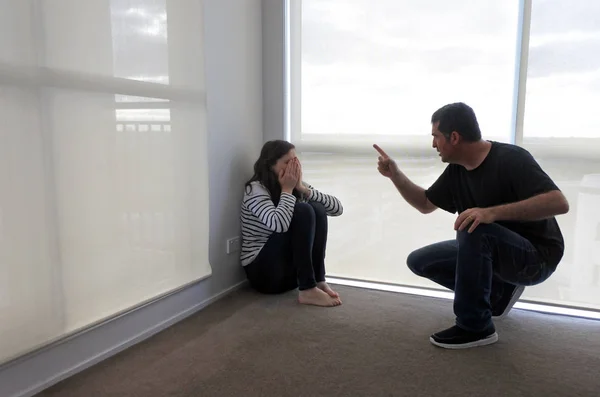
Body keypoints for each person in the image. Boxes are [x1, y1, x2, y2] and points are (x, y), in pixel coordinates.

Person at [374, 102, 569, 349]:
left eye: (436, 136)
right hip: (499, 251)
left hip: (537, 257)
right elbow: (425, 203)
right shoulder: (457, 170)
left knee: (473, 226)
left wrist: (491, 213)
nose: (433, 144)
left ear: (454, 137)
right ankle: (498, 294)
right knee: (420, 261)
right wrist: (395, 175)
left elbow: (559, 203)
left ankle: (476, 327)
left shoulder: (511, 158)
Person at [240, 140, 344, 307]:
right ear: (271, 165)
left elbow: (337, 209)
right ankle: (307, 290)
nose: (294, 166)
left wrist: (302, 188)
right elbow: (278, 225)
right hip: (263, 275)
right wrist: (287, 190)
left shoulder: (296, 186)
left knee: (316, 207)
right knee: (302, 210)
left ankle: (317, 280)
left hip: (289, 276)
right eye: (288, 162)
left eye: (295, 160)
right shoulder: (255, 189)